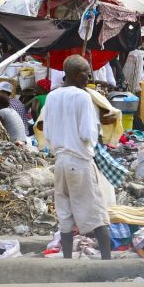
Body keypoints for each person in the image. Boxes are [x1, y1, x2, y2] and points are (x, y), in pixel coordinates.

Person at [36, 55, 112, 260]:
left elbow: (48, 133)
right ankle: (107, 262)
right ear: (78, 75)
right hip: (79, 162)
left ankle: (67, 260)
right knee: (97, 214)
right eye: (87, 72)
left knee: (65, 215)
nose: (89, 76)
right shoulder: (83, 97)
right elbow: (87, 134)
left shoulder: (52, 96)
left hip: (60, 162)